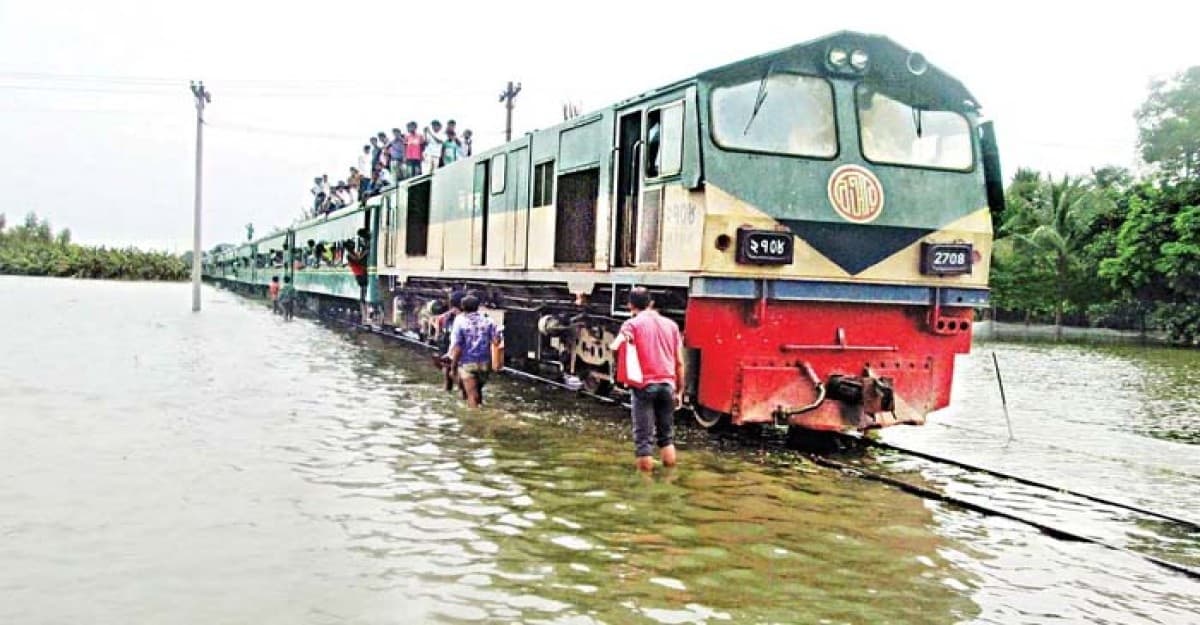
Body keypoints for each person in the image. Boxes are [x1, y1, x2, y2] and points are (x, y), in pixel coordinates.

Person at [617, 286, 683, 472]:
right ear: (651, 303)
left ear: (630, 305)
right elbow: (679, 362)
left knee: (644, 442)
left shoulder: (631, 325)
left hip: (644, 386)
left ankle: (645, 487)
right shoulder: (671, 325)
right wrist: (679, 390)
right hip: (667, 385)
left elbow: (619, 349)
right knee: (666, 438)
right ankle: (670, 478)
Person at [447, 294, 501, 408]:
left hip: (467, 363)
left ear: (462, 307)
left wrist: (453, 368)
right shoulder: (488, 320)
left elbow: (457, 346)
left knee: (471, 396)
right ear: (478, 306)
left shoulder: (460, 321)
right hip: (485, 364)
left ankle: (475, 421)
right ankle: (480, 410)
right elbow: (496, 341)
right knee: (478, 394)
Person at [346, 228, 371, 323]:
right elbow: (358, 260)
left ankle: (365, 315)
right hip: (360, 274)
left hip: (361, 273)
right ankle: (364, 316)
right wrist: (366, 252)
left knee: (363, 295)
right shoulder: (349, 254)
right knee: (363, 295)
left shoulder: (352, 253)